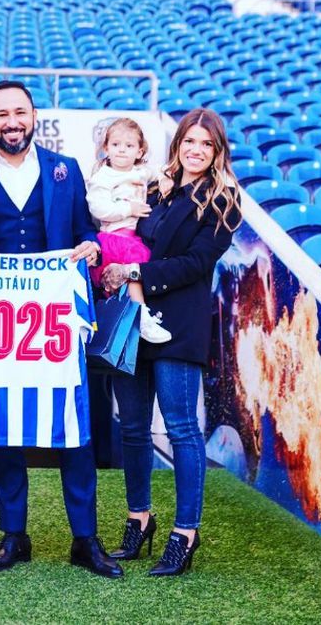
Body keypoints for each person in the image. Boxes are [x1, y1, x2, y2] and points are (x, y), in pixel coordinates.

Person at [0, 79, 122, 579]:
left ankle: (85, 538)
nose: (12, 122)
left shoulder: (66, 171)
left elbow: (86, 231)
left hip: (55, 322)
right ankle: (13, 536)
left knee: (75, 429)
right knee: (5, 430)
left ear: (34, 116)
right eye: (2, 114)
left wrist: (91, 247)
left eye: (19, 112)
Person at [101, 108, 241, 577]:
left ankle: (185, 532)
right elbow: (127, 238)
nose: (196, 150)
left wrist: (135, 272)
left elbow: (196, 263)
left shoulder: (224, 201)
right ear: (177, 145)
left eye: (206, 144)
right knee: (132, 427)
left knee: (181, 428)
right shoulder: (156, 190)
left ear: (217, 152)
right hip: (133, 322)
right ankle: (139, 519)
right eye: (189, 141)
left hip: (179, 325)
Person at [85, 117, 170, 344]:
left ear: (139, 151)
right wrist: (128, 209)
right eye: (116, 144)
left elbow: (160, 171)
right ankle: (142, 318)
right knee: (129, 279)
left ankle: (135, 318)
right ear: (106, 148)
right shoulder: (103, 177)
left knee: (133, 277)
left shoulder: (140, 172)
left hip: (132, 238)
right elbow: (98, 207)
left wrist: (165, 178)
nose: (122, 150)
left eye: (129, 145)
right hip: (113, 238)